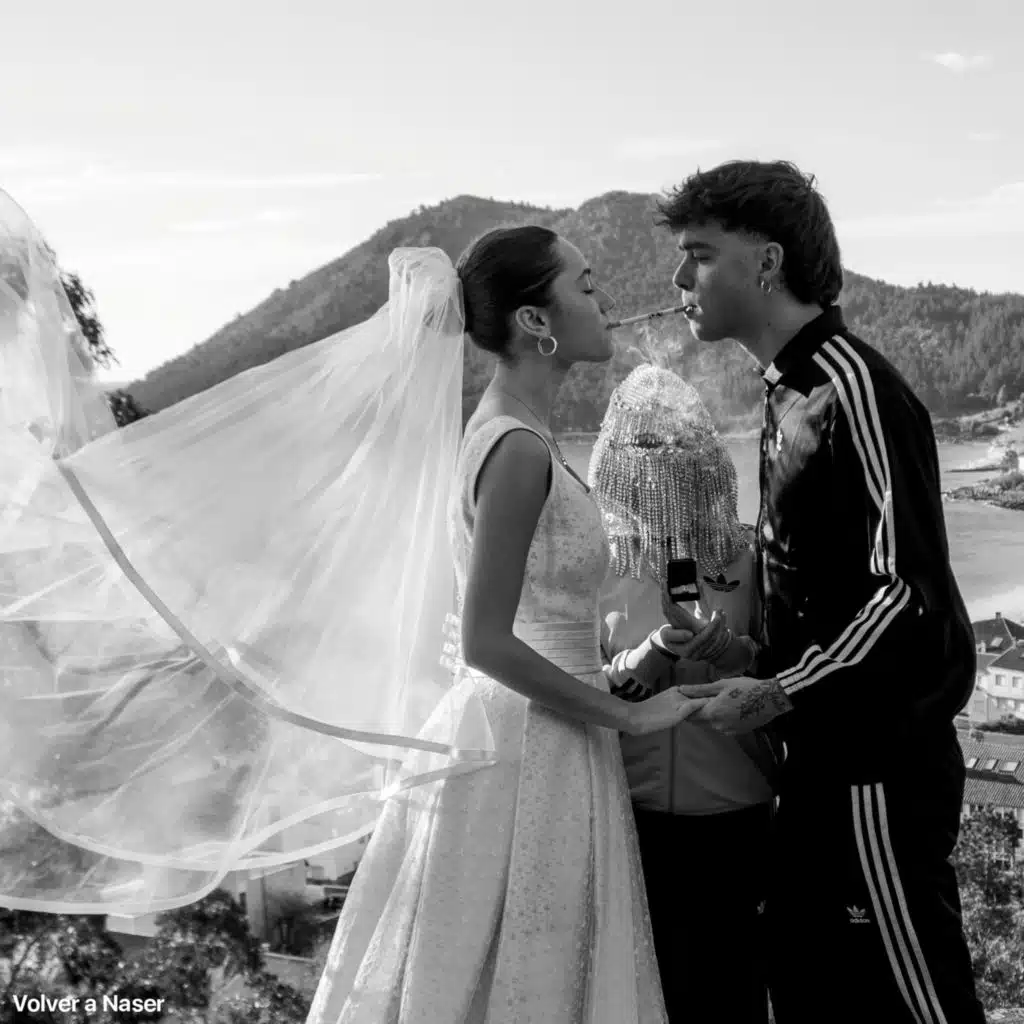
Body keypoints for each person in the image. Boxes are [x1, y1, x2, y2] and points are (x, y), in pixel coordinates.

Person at [0, 194, 722, 1021]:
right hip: (533, 744)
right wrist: (628, 716)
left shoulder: (513, 433)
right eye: (586, 287)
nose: (604, 301)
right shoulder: (519, 450)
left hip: (542, 734)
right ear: (535, 322)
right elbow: (487, 642)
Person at [655, 160, 985, 1024]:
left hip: (874, 771)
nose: (679, 278)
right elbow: (826, 594)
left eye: (700, 253)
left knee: (917, 1002)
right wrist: (748, 656)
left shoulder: (853, 388)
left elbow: (906, 595)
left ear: (767, 262)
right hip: (817, 767)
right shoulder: (790, 394)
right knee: (814, 994)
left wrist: (777, 690)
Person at [590, 363, 779, 1024]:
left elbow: (785, 673)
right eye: (644, 453)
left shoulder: (750, 558)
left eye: (676, 450)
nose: (660, 469)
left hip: (736, 811)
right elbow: (578, 688)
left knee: (732, 994)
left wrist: (730, 652)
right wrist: (645, 659)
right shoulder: (598, 567)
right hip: (629, 816)